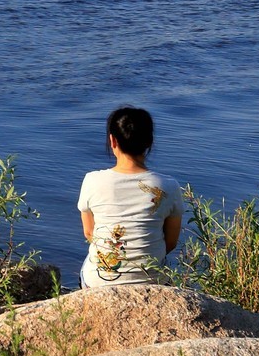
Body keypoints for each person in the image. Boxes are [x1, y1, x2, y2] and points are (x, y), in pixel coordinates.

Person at [78, 105, 182, 288]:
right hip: (151, 280)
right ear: (150, 142)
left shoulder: (92, 180)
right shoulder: (169, 186)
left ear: (113, 141)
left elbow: (89, 233)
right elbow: (171, 242)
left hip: (100, 282)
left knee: (89, 263)